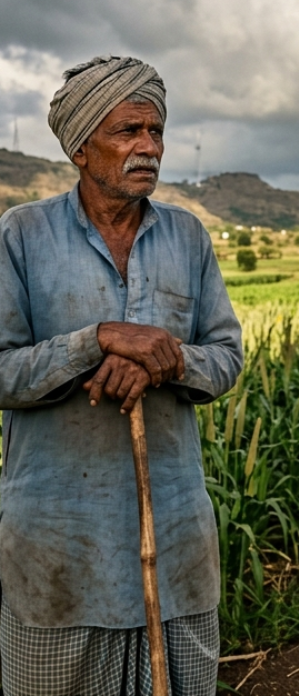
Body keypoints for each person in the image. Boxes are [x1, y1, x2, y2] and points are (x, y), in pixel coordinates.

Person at [0, 55, 243, 695]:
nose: (149, 148)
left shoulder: (189, 237)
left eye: (155, 132)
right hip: (58, 542)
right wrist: (97, 341)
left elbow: (226, 356)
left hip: (176, 533)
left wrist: (163, 359)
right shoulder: (20, 235)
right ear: (80, 148)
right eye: (128, 132)